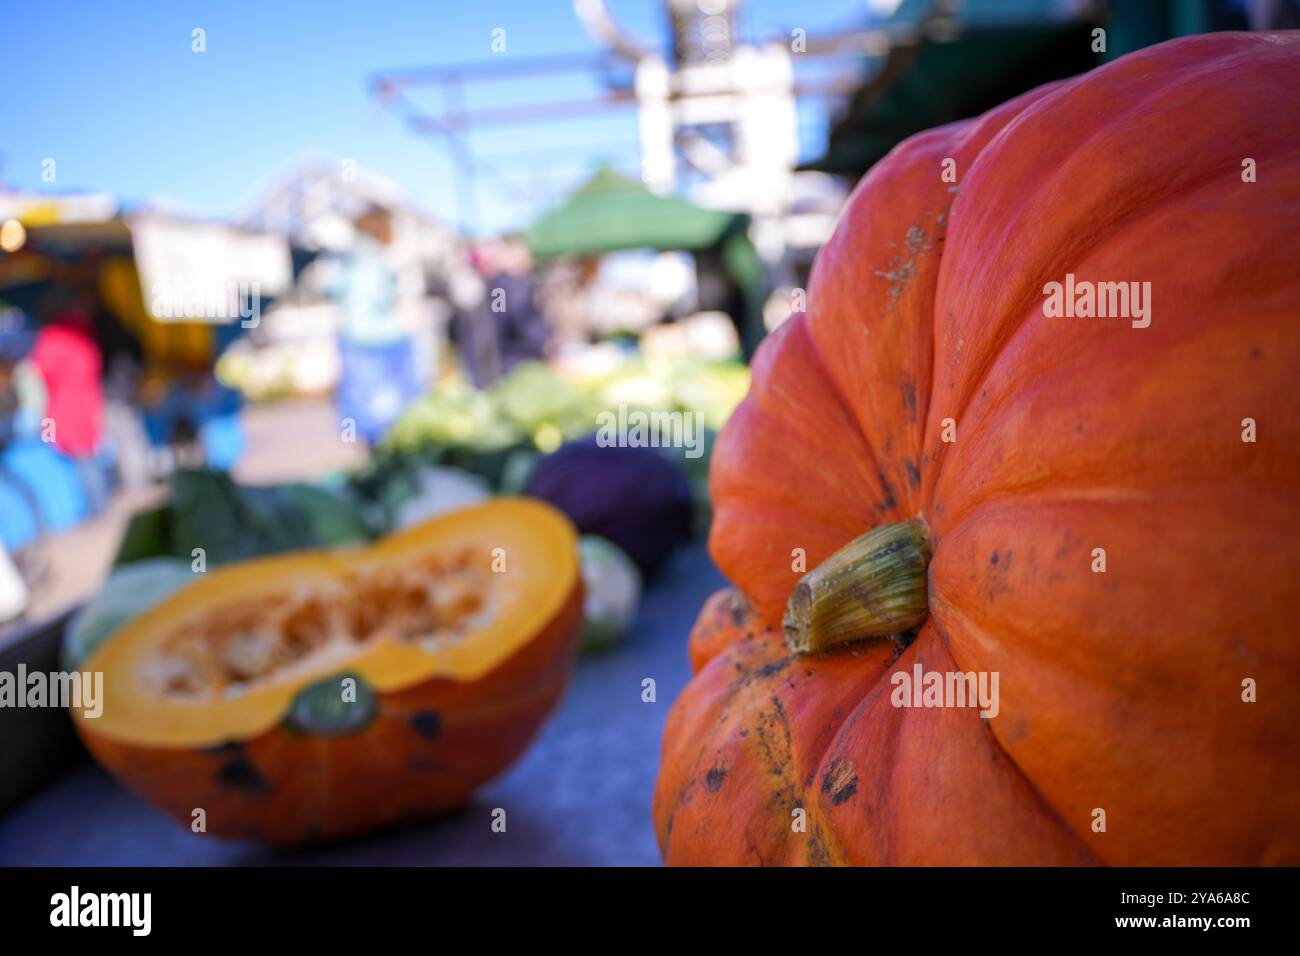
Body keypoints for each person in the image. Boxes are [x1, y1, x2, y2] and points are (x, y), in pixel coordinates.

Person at [331, 204, 421, 444]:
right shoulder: (367, 266)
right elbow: (361, 325)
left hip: (365, 354)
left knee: (378, 429)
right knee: (386, 429)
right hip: (374, 356)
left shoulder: (355, 261)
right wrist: (402, 327)